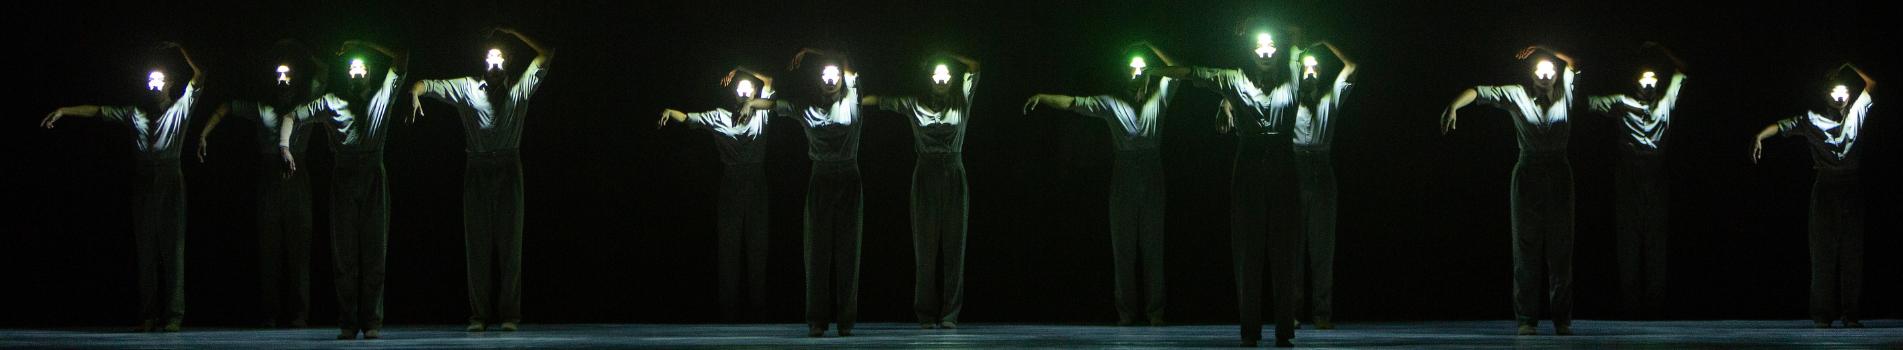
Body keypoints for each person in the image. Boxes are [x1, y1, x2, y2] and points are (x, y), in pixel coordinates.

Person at [40, 41, 206, 333]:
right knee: (146, 250)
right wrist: (64, 110)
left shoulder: (181, 107)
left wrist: (181, 48)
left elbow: (200, 75)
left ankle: (174, 315)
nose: (153, 85)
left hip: (170, 176)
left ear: (170, 84)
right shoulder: (134, 113)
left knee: (172, 248)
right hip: (143, 178)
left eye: (159, 80)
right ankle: (149, 314)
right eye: (149, 80)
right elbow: (99, 111)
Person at [1021, 42, 1181, 330]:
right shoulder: (1111, 103)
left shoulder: (1160, 97)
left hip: (1151, 169)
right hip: (1125, 171)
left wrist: (1149, 51)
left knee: (1153, 246)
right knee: (1123, 247)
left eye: (1140, 70)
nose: (1135, 74)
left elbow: (1179, 70)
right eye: (1130, 70)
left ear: (1147, 74)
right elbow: (1074, 102)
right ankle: (1127, 313)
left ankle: (1156, 312)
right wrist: (1044, 97)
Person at [410, 26, 553, 332]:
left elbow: (546, 54)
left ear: (509, 62)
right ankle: (478, 316)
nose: (494, 63)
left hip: (508, 167)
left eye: (500, 58)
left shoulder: (520, 88)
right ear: (483, 62)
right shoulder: (467, 88)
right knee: (478, 245)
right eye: (490, 57)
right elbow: (429, 85)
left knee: (509, 245)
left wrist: (513, 32)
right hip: (477, 168)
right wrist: (414, 92)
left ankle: (510, 315)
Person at [1440, 45, 1579, 336]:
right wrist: (1454, 105)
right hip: (1528, 172)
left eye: (1550, 69)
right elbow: (1479, 92)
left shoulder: (1566, 90)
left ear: (1555, 75)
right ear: (1531, 75)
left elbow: (1573, 61)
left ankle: (1561, 318)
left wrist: (1541, 47)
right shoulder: (1517, 94)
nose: (1545, 73)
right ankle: (1527, 318)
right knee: (1525, 247)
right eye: (1539, 69)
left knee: (1560, 247)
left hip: (1558, 172)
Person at [197, 40, 329, 329]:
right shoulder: (263, 108)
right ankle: (269, 313)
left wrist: (299, 49)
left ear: (294, 78)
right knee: (269, 247)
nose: (283, 80)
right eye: (278, 75)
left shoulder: (306, 102)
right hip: (269, 174)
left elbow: (323, 73)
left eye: (287, 75)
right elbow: (227, 107)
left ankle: (299, 314)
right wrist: (204, 133)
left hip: (298, 173)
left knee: (299, 248)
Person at [283, 39, 410, 339]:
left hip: (372, 175)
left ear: (368, 73)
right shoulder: (330, 102)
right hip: (343, 176)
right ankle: (348, 322)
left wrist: (359, 43)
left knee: (374, 252)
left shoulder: (382, 97)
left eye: (361, 68)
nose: (356, 72)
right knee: (345, 256)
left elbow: (402, 54)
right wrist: (284, 147)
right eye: (351, 68)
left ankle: (372, 321)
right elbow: (292, 115)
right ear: (346, 74)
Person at [1749, 62, 1875, 329]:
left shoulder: (1857, 112)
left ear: (1849, 95)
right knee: (1823, 253)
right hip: (1826, 187)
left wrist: (1848, 67)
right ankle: (1821, 314)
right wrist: (1760, 136)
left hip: (1851, 187)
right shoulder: (1811, 119)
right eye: (1833, 91)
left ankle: (1851, 314)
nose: (1839, 96)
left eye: (1843, 91)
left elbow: (1870, 85)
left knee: (1852, 253)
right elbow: (1782, 126)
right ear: (1825, 95)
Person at [861, 53, 981, 330]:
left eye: (946, 76)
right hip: (925, 173)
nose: (941, 80)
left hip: (953, 170)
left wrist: (946, 55)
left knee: (954, 247)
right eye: (936, 75)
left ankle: (950, 313)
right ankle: (925, 312)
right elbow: (880, 101)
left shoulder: (962, 100)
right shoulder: (914, 104)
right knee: (925, 248)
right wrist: (855, 101)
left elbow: (975, 66)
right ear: (928, 79)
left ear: (951, 80)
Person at [656, 66, 778, 323]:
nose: (744, 91)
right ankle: (728, 310)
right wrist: (670, 111)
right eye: (740, 88)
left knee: (758, 246)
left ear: (755, 91)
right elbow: (690, 119)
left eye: (749, 88)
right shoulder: (719, 116)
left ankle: (759, 309)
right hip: (731, 181)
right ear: (734, 93)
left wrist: (739, 69)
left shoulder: (761, 112)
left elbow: (769, 80)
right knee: (729, 247)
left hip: (756, 181)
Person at [1583, 42, 1687, 319]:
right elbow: (1585, 103)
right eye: (1643, 78)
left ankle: (1655, 307)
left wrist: (1661, 49)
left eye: (1653, 78)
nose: (1648, 83)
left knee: (1656, 243)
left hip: (1656, 178)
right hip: (1627, 178)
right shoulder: (1620, 103)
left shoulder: (1666, 103)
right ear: (1635, 83)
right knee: (1628, 243)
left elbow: (1683, 70)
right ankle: (1630, 306)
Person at [1289, 40, 1357, 332]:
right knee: (1292, 247)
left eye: (1315, 69)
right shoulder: (1288, 99)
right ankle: (1292, 312)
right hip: (1293, 168)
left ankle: (1321, 312)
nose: (1310, 73)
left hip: (1321, 167)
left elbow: (1352, 67)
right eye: (1306, 69)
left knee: (1322, 247)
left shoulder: (1331, 98)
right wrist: (1298, 57)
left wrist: (1326, 44)